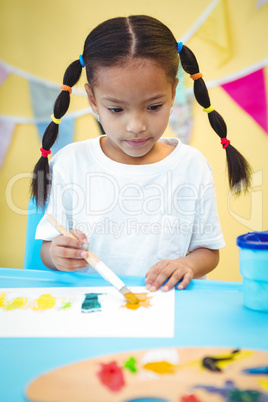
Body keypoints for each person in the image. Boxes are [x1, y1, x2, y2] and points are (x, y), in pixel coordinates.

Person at [32, 15, 251, 292]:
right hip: (93, 308)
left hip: (170, 307)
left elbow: (208, 251)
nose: (136, 126)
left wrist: (188, 265)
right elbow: (48, 247)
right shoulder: (70, 162)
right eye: (116, 109)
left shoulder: (191, 165)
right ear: (92, 100)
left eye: (153, 106)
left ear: (173, 92)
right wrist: (57, 255)